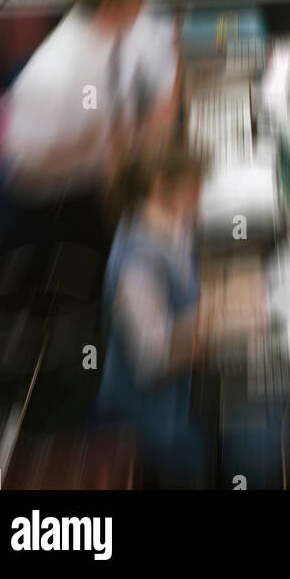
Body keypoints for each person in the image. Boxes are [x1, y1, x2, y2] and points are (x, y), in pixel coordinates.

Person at [0, 0, 181, 251]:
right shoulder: (58, 73)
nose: (146, 4)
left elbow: (162, 50)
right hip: (42, 198)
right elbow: (28, 165)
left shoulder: (123, 26)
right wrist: (120, 147)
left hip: (86, 178)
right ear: (111, 5)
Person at [97, 144, 211, 487]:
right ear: (163, 186)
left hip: (183, 385)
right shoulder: (137, 263)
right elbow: (153, 358)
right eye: (196, 186)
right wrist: (215, 326)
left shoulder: (169, 227)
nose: (202, 195)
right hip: (155, 416)